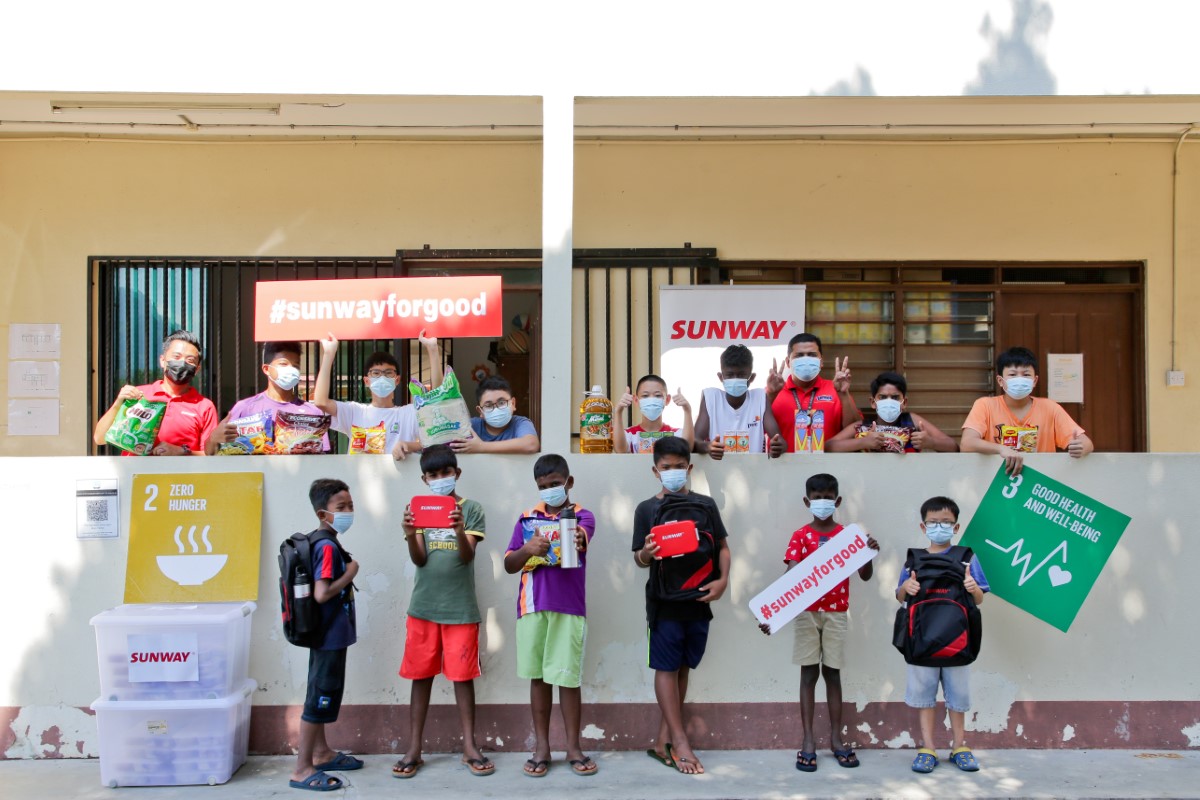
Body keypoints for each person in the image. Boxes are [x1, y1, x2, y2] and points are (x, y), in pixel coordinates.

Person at [762, 473, 879, 772]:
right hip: (806, 614)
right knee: (808, 675)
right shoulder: (801, 536)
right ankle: (808, 740)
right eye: (817, 497)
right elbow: (791, 578)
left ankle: (836, 739)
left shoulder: (847, 537)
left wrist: (868, 554)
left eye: (828, 496)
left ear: (837, 500)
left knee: (833, 675)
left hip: (837, 612)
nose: (822, 502)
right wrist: (773, 614)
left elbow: (864, 575)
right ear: (807, 501)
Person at [632, 436, 730, 775]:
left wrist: (723, 582)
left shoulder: (705, 504)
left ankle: (662, 743)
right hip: (664, 603)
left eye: (679, 467)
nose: (673, 473)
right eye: (665, 468)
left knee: (684, 667)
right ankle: (680, 740)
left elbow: (723, 548)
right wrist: (646, 552)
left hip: (699, 599)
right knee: (666, 668)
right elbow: (639, 559)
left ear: (689, 468)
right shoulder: (646, 509)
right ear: (655, 471)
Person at [395, 444, 493, 778]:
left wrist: (458, 529)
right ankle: (414, 748)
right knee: (420, 677)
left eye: (446, 473)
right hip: (423, 607)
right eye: (433, 475)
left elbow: (468, 556)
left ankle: (470, 746)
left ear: (457, 473)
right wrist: (410, 535)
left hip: (461, 609)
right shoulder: (417, 509)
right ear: (424, 479)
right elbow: (419, 559)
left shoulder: (472, 509)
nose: (440, 480)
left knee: (463, 678)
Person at [502, 454, 598, 778]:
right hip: (532, 606)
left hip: (569, 608)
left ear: (568, 483)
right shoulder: (526, 520)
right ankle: (542, 746)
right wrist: (528, 549)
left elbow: (584, 535)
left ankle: (574, 746)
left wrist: (573, 535)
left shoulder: (582, 516)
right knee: (538, 677)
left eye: (555, 484)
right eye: (543, 486)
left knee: (568, 678)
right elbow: (509, 564)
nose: (550, 490)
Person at [896, 496, 988, 774]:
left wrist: (973, 587)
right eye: (934, 522)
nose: (940, 527)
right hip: (921, 640)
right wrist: (907, 588)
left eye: (946, 523)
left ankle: (960, 746)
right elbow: (899, 596)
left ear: (956, 527)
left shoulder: (967, 558)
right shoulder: (914, 559)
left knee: (957, 696)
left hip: (957, 641)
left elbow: (980, 599)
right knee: (924, 697)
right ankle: (928, 748)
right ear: (923, 528)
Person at [288, 478, 363, 791]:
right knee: (318, 700)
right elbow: (321, 594)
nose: (348, 511)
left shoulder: (324, 540)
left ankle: (321, 753)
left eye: (350, 505)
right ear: (323, 514)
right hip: (329, 636)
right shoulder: (328, 546)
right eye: (340, 508)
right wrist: (350, 573)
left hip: (326, 635)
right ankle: (302, 769)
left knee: (320, 693)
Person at [960, 346, 1094, 476]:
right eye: (1012, 374)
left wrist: (1080, 447)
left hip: (1039, 485)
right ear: (1000, 381)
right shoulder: (985, 405)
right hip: (996, 482)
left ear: (1034, 380)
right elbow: (967, 444)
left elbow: (1087, 443)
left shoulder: (1050, 408)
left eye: (1026, 375)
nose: (1019, 379)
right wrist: (1001, 449)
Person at [312, 331, 441, 459]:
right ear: (366, 381)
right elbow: (321, 402)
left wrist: (433, 350)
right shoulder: (354, 411)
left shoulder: (409, 413)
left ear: (397, 380)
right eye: (376, 373)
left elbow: (437, 400)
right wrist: (329, 354)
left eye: (388, 373)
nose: (382, 377)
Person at [92, 329, 218, 455]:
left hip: (180, 474)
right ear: (162, 361)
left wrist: (182, 452)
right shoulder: (139, 395)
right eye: (176, 357)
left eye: (190, 360)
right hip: (135, 473)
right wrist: (118, 403)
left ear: (197, 369)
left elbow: (210, 454)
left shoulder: (204, 407)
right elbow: (100, 438)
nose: (182, 363)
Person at [205, 340, 330, 454]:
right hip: (254, 477)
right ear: (266, 369)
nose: (291, 370)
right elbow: (211, 453)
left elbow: (324, 456)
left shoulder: (312, 412)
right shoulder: (245, 408)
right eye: (283, 364)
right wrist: (214, 438)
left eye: (296, 366)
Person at [766, 333, 861, 453]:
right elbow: (754, 428)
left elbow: (855, 431)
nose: (805, 359)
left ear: (821, 361)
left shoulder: (836, 389)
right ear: (788, 362)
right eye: (799, 355)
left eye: (812, 355)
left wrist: (844, 394)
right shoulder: (773, 392)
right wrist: (770, 394)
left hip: (828, 468)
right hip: (783, 467)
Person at [827, 371, 958, 453]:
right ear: (873, 402)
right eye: (882, 397)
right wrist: (863, 442)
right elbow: (830, 446)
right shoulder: (865, 426)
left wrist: (931, 442)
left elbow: (953, 447)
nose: (889, 402)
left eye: (895, 398)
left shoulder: (912, 421)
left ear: (904, 402)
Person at [694, 344, 785, 458]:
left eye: (741, 375)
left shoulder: (760, 397)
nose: (735, 379)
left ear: (751, 378)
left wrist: (778, 446)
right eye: (730, 375)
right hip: (716, 471)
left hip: (753, 472)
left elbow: (779, 440)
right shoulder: (711, 397)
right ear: (721, 377)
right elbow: (695, 441)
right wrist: (707, 447)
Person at [450, 375, 540, 454]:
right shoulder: (471, 426)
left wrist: (481, 447)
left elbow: (531, 445)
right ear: (480, 411)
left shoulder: (520, 423)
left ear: (513, 404)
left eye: (501, 402)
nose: (496, 409)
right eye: (488, 405)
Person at [612, 374, 695, 454]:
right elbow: (620, 450)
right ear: (636, 400)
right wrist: (618, 412)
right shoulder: (629, 434)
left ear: (667, 399)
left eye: (658, 395)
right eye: (645, 396)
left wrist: (687, 410)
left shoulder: (676, 434)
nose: (651, 399)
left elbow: (687, 448)